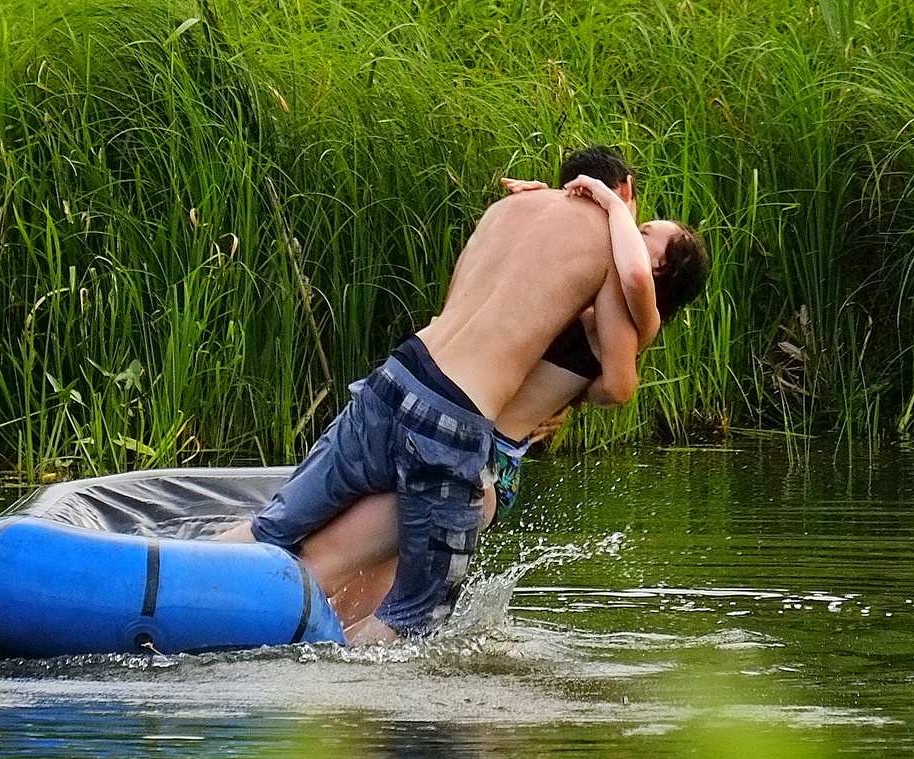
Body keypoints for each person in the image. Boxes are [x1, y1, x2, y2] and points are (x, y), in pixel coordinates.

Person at [219, 148, 709, 643]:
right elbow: (617, 369)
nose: (636, 226)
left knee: (283, 534)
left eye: (648, 233)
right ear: (624, 190)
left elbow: (467, 306)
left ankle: (177, 585)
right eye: (639, 221)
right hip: (454, 426)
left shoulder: (509, 212)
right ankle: (301, 684)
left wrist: (561, 400)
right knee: (407, 619)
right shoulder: (606, 259)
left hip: (398, 379)